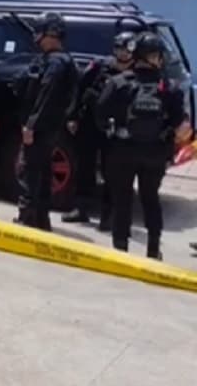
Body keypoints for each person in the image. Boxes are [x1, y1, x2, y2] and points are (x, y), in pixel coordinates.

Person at [96, 32, 190, 259]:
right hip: (155, 153)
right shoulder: (169, 88)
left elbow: (99, 114)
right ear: (153, 57)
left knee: (122, 200)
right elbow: (182, 126)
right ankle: (153, 249)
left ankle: (120, 250)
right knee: (150, 199)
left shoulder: (119, 83)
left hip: (122, 150)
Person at [62, 31, 136, 227]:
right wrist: (73, 116)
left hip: (115, 128)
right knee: (84, 166)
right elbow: (79, 89)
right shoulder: (100, 66)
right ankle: (81, 208)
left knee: (111, 172)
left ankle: (108, 215)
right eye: (119, 48)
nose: (123, 54)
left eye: (127, 49)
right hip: (90, 123)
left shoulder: (136, 74)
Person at [15, 12, 79, 231]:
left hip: (42, 128)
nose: (37, 36)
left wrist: (31, 125)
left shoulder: (57, 63)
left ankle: (28, 219)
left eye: (40, 31)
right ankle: (40, 220)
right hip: (48, 127)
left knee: (30, 173)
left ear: (51, 33)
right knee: (41, 173)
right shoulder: (53, 60)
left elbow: (46, 95)